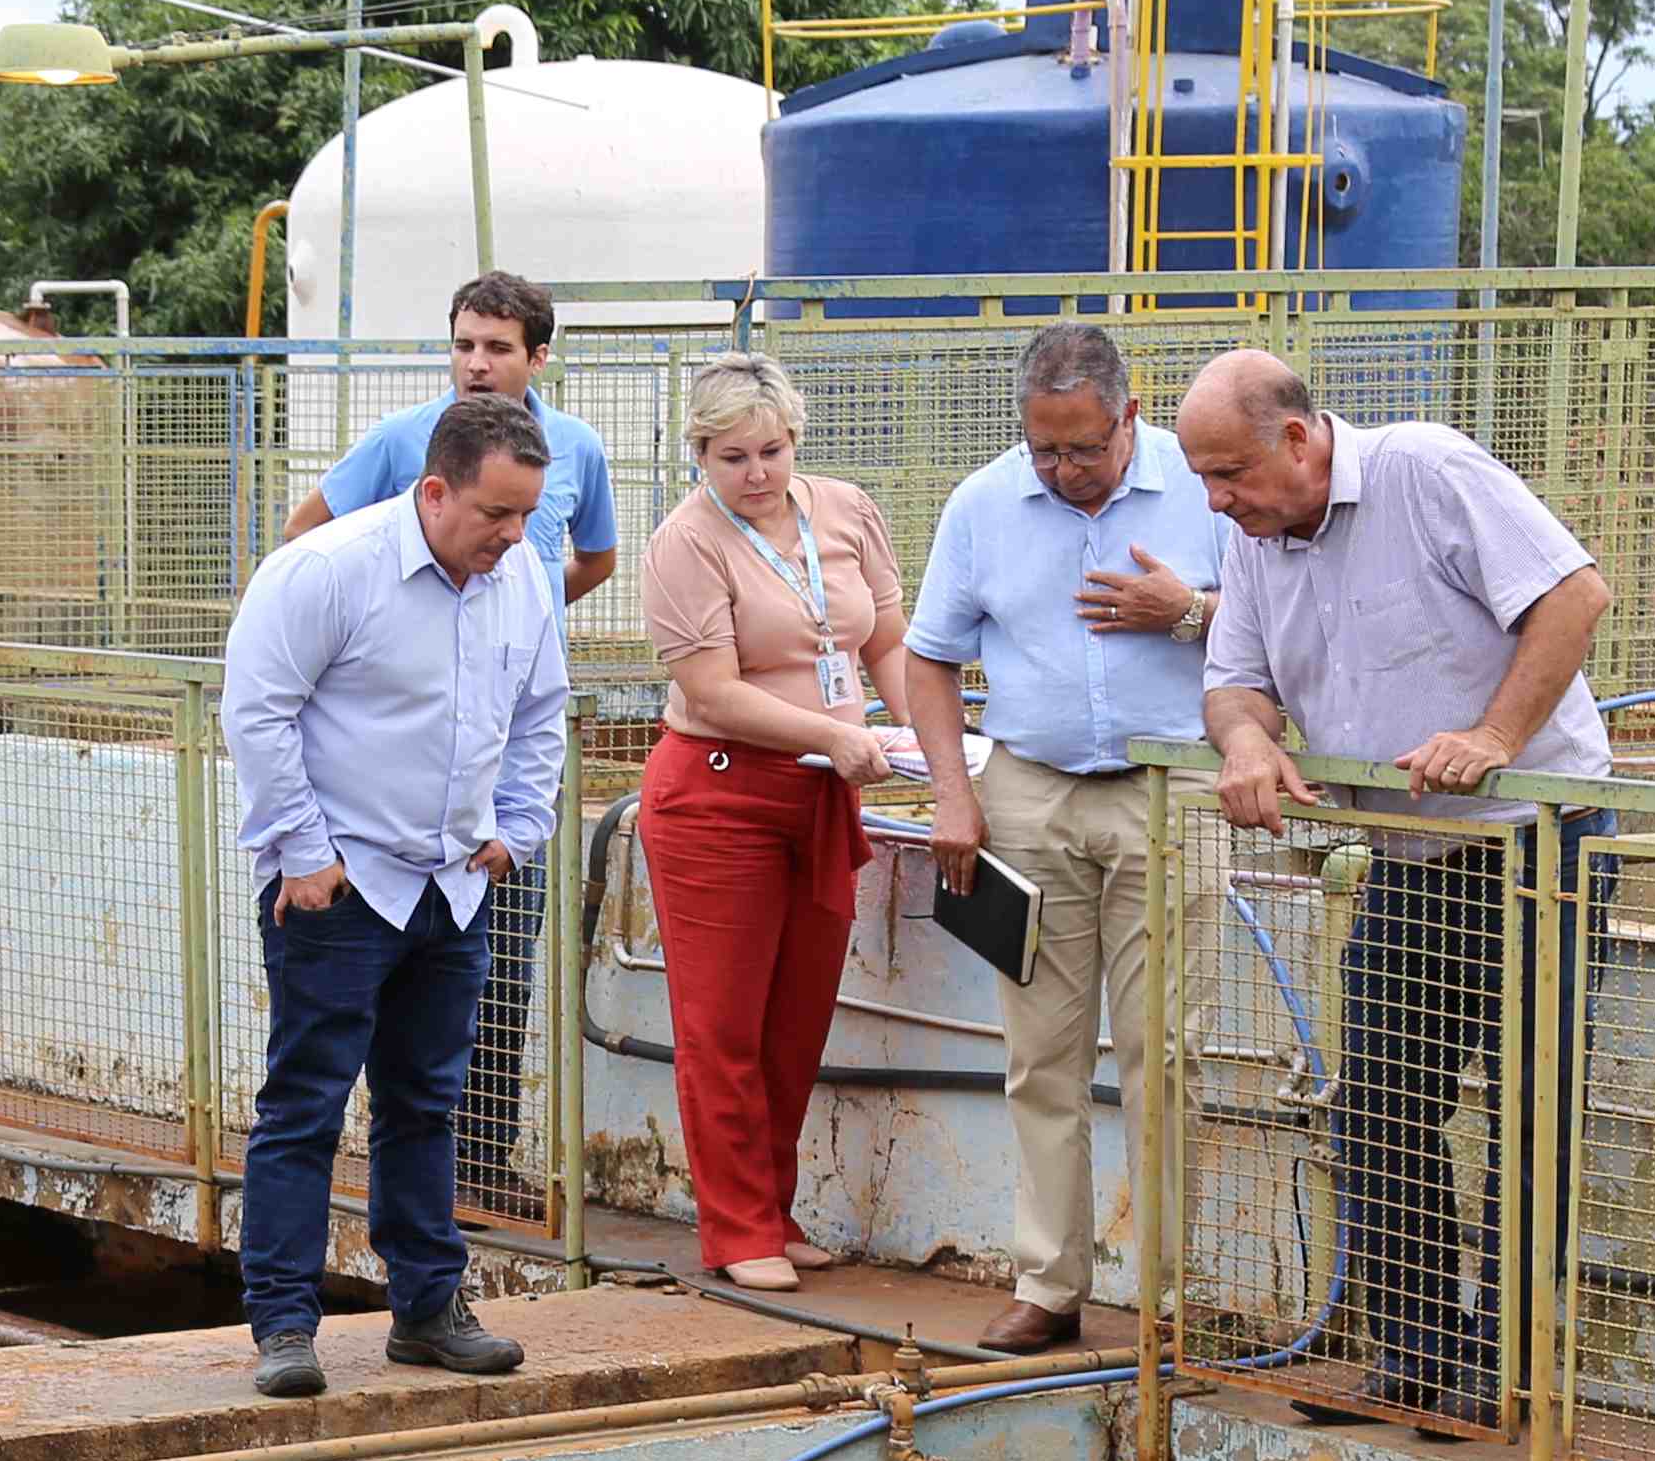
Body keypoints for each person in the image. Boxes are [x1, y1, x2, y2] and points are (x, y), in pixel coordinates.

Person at [1175, 347, 1618, 1425]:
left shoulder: (1424, 469)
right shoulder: (1262, 541)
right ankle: (1412, 1356)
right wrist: (1245, 745)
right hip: (1408, 857)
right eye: (1203, 481)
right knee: (1380, 1099)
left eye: (1229, 473)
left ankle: (1504, 1367)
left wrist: (1494, 734)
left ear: (1297, 437)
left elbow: (1575, 594)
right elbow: (1236, 681)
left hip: (1534, 849)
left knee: (1526, 1112)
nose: (1219, 501)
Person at [219, 395, 572, 1399]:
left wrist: (518, 828)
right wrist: (303, 852)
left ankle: (427, 1307)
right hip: (340, 885)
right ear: (434, 490)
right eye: (495, 515)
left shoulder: (521, 582)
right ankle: (284, 1324)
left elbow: (541, 710)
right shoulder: (332, 569)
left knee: (427, 1102)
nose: (512, 537)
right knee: (304, 1104)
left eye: (525, 517)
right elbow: (258, 706)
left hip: (454, 885)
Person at [908, 323, 1226, 1355]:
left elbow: (1288, 625)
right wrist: (955, 794)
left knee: (1163, 1053)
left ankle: (1168, 1302)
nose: (1063, 470)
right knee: (1039, 1056)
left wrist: (1187, 612)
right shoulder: (983, 503)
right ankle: (1049, 1284)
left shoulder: (1204, 485)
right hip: (1029, 795)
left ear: (1132, 416)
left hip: (1170, 790)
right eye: (1045, 450)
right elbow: (930, 661)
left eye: (1084, 448)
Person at [634, 352, 914, 1291]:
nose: (757, 474)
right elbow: (710, 691)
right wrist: (832, 738)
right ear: (699, 455)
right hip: (721, 795)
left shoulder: (843, 509)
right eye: (732, 457)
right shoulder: (686, 542)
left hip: (823, 792)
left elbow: (885, 641)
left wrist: (922, 739)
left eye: (773, 450)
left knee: (798, 1018)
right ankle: (737, 1225)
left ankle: (776, 1207)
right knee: (724, 1024)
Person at [284, 274, 623, 603]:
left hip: (528, 661)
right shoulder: (398, 438)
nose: (476, 364)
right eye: (464, 346)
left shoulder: (578, 445)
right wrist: (372, 617)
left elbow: (597, 561)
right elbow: (302, 531)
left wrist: (533, 611)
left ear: (537, 358)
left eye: (498, 348)